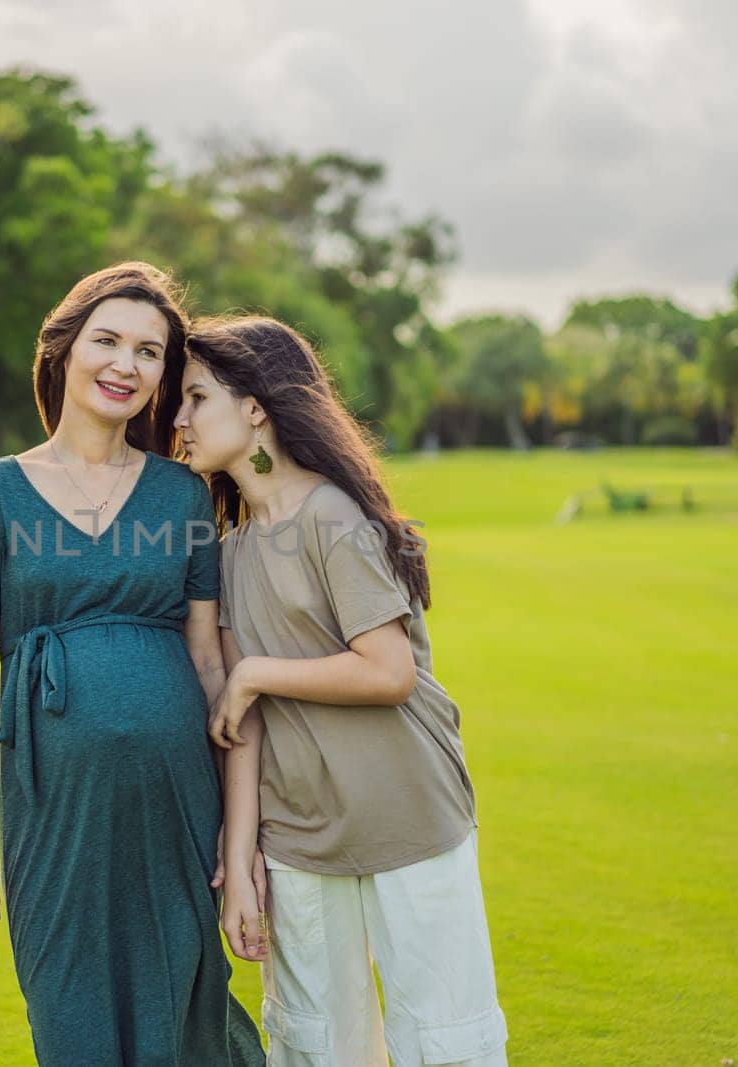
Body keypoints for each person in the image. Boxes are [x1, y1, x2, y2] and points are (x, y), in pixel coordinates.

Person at [0, 263, 264, 1065]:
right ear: (64, 349)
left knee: (185, 1002)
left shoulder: (182, 494)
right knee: (67, 1003)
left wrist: (240, 829)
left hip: (177, 801)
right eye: (109, 341)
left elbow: (209, 661)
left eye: (150, 352)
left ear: (163, 374)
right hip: (50, 803)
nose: (127, 365)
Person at [176, 315, 509, 1066]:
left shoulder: (331, 514)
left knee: (442, 1045)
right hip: (296, 839)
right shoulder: (229, 553)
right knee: (316, 1049)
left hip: (409, 819)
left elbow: (387, 672)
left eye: (196, 397)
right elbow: (243, 727)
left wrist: (256, 673)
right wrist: (240, 859)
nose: (178, 419)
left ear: (254, 406)